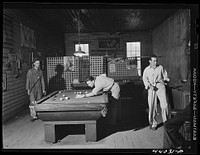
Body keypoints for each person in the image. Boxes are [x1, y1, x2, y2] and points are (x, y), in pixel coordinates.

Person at [142, 54, 170, 130]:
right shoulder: (146, 70)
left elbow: (165, 76)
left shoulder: (161, 67)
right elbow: (144, 79)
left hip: (160, 86)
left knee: (164, 105)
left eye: (156, 61)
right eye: (154, 61)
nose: (155, 62)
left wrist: (166, 79)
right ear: (150, 61)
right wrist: (148, 85)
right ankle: (153, 123)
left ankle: (166, 121)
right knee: (152, 106)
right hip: (151, 88)